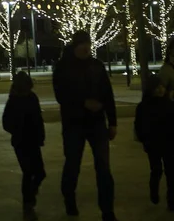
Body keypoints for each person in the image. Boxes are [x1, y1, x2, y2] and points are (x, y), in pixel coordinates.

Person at [53, 30, 118, 221]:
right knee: (73, 163)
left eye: (88, 44)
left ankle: (107, 210)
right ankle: (69, 198)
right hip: (74, 123)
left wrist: (112, 121)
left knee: (104, 167)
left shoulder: (97, 66)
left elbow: (107, 93)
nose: (86, 48)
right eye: (82, 44)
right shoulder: (63, 67)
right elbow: (61, 95)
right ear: (75, 46)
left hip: (97, 122)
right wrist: (83, 102)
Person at [3, 71, 46, 220]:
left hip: (31, 140)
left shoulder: (30, 98)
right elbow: (6, 122)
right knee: (29, 172)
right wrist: (18, 130)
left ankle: (30, 194)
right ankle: (28, 200)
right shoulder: (15, 100)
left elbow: (38, 119)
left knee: (38, 172)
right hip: (23, 141)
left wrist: (40, 136)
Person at [134, 74, 174, 210]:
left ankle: (171, 200)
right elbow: (139, 126)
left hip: (169, 143)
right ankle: (154, 191)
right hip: (154, 143)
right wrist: (144, 140)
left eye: (162, 87)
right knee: (156, 170)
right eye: (157, 87)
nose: (160, 90)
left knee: (171, 171)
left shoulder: (169, 104)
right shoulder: (144, 107)